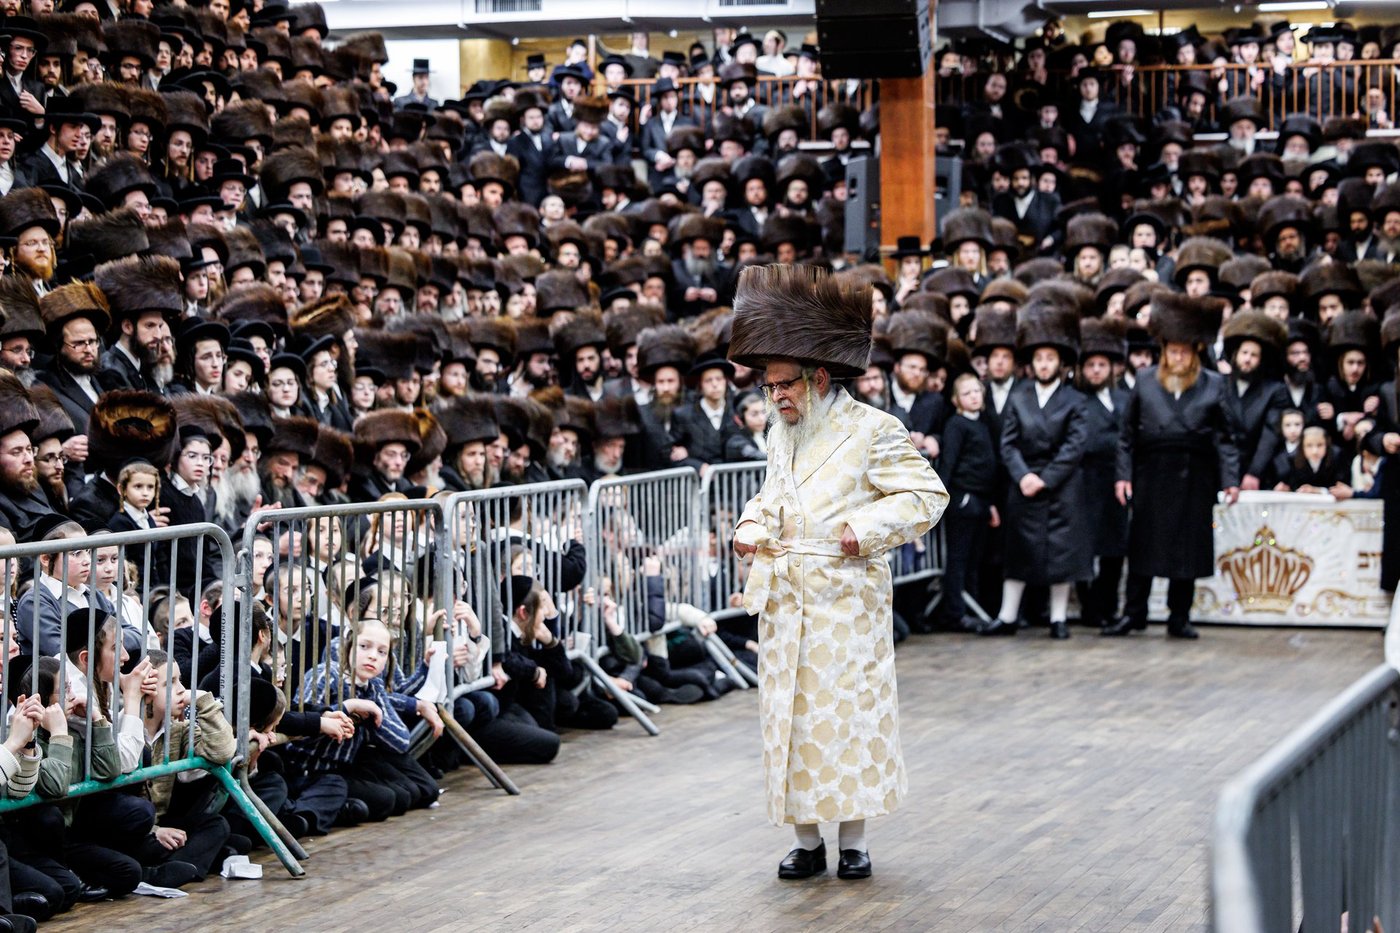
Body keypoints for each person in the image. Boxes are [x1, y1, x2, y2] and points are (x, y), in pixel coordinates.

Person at [729, 264, 948, 881]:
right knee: (792, 721)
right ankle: (806, 840)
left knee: (847, 718)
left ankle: (853, 840)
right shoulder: (782, 434)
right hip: (786, 601)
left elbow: (927, 495)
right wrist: (751, 526)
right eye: (768, 388)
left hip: (847, 601)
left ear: (818, 377)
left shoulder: (874, 430)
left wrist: (866, 530)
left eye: (784, 386)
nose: (775, 398)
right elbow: (772, 495)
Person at [1107, 292, 1242, 639]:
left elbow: (1225, 438)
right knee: (1143, 547)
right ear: (1164, 350)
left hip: (1195, 474)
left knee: (1187, 549)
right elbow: (1126, 436)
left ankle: (1178, 616)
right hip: (1151, 473)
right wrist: (1123, 476)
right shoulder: (1147, 381)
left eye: (1184, 350)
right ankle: (1133, 613)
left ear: (1195, 351)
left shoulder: (1213, 384)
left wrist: (1230, 480)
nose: (1177, 356)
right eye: (1172, 350)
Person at [976, 300, 1090, 639]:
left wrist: (1046, 478)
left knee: (1061, 554)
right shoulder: (1020, 397)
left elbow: (1074, 447)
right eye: (1039, 358)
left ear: (1061, 363)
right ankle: (1007, 616)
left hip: (1062, 485)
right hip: (1023, 482)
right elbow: (1007, 443)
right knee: (1018, 552)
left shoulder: (1076, 401)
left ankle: (1058, 618)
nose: (1043, 364)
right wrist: (1024, 476)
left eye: (1050, 359)